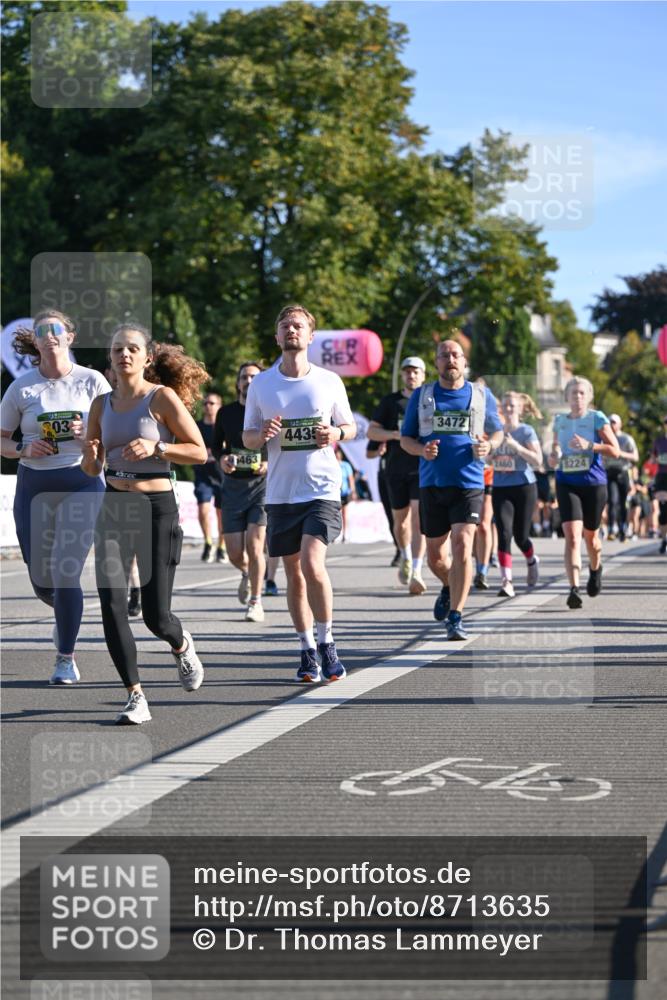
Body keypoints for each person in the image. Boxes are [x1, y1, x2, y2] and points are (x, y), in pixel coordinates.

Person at [82, 323, 208, 724]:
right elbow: (91, 468)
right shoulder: (100, 405)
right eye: (117, 349)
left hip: (157, 507)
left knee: (156, 617)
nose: (124, 355)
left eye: (132, 348)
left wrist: (159, 446)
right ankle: (135, 695)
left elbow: (199, 452)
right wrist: (90, 451)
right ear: (111, 358)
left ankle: (181, 643)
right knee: (112, 603)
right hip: (114, 505)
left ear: (147, 357)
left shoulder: (162, 398)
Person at [243, 304, 356, 681]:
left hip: (321, 488)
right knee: (293, 572)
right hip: (280, 492)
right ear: (277, 337)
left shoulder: (328, 381)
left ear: (310, 336)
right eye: (285, 325)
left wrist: (335, 434)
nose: (291, 330)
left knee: (312, 563)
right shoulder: (261, 384)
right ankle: (306, 647)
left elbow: (350, 426)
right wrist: (264, 436)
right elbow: (248, 436)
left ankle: (327, 642)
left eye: (298, 326)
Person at [0, 311, 110, 684]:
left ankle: (65, 657)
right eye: (42, 330)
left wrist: (91, 435)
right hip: (34, 485)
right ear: (35, 341)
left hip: (82, 481)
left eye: (56, 329)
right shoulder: (22, 388)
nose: (49, 335)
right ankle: (66, 612)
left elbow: (119, 433)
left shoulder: (92, 381)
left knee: (66, 573)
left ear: (70, 337)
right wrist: (23, 449)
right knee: (41, 579)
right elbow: (1, 438)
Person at [400, 340, 503, 640]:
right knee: (435, 557)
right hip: (432, 483)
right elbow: (406, 439)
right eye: (444, 355)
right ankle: (448, 584)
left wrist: (490, 444)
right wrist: (422, 450)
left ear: (464, 360)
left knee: (461, 543)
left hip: (469, 481)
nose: (450, 360)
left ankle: (456, 616)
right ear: (437, 362)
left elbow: (497, 430)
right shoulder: (422, 396)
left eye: (455, 354)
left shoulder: (481, 395)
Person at [547, 377, 619, 609]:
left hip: (593, 484)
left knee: (592, 539)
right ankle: (573, 588)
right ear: (566, 397)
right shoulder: (560, 421)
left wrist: (591, 446)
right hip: (566, 481)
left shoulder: (597, 418)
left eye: (581, 393)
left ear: (588, 397)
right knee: (572, 535)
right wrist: (554, 455)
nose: (577, 397)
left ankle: (595, 568)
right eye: (573, 393)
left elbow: (615, 450)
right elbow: (556, 448)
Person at [212, 362, 268, 622]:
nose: (249, 381)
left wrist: (268, 462)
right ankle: (246, 573)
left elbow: (279, 443)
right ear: (238, 383)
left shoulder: (268, 410)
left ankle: (256, 601)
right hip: (233, 487)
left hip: (261, 487)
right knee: (235, 552)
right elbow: (216, 447)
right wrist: (223, 459)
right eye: (244, 377)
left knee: (255, 545)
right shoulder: (226, 413)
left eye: (254, 377)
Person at [368, 357, 428, 594]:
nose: (411, 376)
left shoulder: (428, 400)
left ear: (423, 375)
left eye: (415, 372)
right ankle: (404, 555)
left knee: (418, 519)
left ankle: (417, 569)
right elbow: (372, 430)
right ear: (402, 375)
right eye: (407, 372)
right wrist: (394, 435)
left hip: (421, 467)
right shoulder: (391, 402)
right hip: (395, 469)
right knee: (400, 521)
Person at [490, 392, 544, 597]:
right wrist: (490, 455)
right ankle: (507, 582)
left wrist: (516, 447)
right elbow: (487, 461)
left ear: (521, 408)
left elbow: (538, 461)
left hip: (524, 486)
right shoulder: (496, 432)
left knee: (521, 536)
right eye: (505, 405)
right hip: (501, 487)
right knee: (504, 533)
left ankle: (531, 560)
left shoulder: (526, 431)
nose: (508, 409)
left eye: (512, 405)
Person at [195, 392, 227, 562]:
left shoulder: (223, 427)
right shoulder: (197, 426)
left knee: (221, 513)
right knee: (203, 509)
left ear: (219, 406)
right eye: (205, 403)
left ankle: (222, 546)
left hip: (221, 475)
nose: (208, 406)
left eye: (212, 403)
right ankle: (208, 542)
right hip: (203, 475)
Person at [603, 414, 638, 542]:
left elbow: (635, 457)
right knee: (612, 501)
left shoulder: (626, 439)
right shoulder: (604, 439)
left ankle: (624, 528)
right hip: (610, 473)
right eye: (609, 422)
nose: (611, 425)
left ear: (619, 424)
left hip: (623, 472)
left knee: (624, 502)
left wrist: (619, 453)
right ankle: (612, 528)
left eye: (614, 422)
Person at [650, 416, 667, 554]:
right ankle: (664, 540)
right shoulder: (659, 441)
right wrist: (655, 459)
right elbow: (653, 459)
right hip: (662, 476)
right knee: (663, 510)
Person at [336, 445, 357, 541]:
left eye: (339, 453)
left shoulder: (346, 465)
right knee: (336, 515)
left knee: (344, 514)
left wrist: (353, 491)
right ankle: (336, 535)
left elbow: (351, 479)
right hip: (335, 494)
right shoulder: (332, 464)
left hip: (344, 493)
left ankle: (345, 534)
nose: (337, 455)